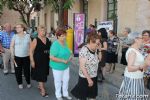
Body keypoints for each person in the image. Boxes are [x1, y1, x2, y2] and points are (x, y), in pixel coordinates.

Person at [117, 32, 150, 100]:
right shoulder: (132, 51)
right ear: (136, 39)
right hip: (132, 79)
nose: (143, 39)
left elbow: (142, 65)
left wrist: (146, 63)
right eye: (142, 38)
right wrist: (141, 66)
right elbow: (130, 68)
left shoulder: (137, 50)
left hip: (137, 78)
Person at [71, 32, 101, 100]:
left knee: (92, 96)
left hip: (94, 75)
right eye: (97, 43)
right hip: (85, 77)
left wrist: (99, 50)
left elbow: (100, 59)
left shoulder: (95, 49)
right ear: (91, 41)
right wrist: (89, 79)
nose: (98, 45)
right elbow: (82, 67)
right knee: (83, 97)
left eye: (98, 43)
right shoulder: (84, 50)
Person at [50, 28, 72, 100]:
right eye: (62, 36)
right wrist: (62, 60)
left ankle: (65, 94)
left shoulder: (65, 42)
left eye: (65, 35)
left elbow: (69, 51)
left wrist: (70, 55)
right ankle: (58, 95)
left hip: (66, 66)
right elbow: (51, 57)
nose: (64, 37)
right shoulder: (55, 44)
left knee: (66, 80)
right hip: (57, 67)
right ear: (58, 36)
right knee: (58, 81)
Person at [30, 25, 51, 97]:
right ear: (38, 31)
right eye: (41, 30)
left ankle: (40, 85)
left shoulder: (47, 39)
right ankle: (43, 90)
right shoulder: (35, 40)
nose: (43, 32)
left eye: (44, 30)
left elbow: (49, 50)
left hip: (46, 60)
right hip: (38, 60)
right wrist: (32, 61)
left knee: (44, 74)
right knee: (40, 74)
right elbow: (30, 51)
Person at [10, 24, 31, 89]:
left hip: (26, 57)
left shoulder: (28, 36)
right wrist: (12, 54)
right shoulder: (14, 36)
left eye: (18, 27)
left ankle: (28, 82)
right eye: (16, 27)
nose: (16, 28)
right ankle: (20, 83)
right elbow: (11, 46)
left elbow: (31, 46)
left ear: (22, 28)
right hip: (17, 57)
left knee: (27, 70)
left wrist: (31, 54)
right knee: (18, 71)